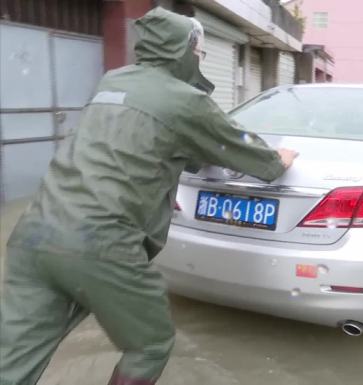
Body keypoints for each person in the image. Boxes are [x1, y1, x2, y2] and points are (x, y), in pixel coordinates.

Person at [0, 7, 297, 385]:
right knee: (150, 344)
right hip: (99, 243)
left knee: (13, 357)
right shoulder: (186, 100)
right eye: (200, 53)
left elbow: (135, 147)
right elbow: (255, 158)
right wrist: (279, 157)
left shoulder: (112, 82)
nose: (200, 60)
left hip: (35, 235)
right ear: (184, 52)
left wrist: (156, 190)